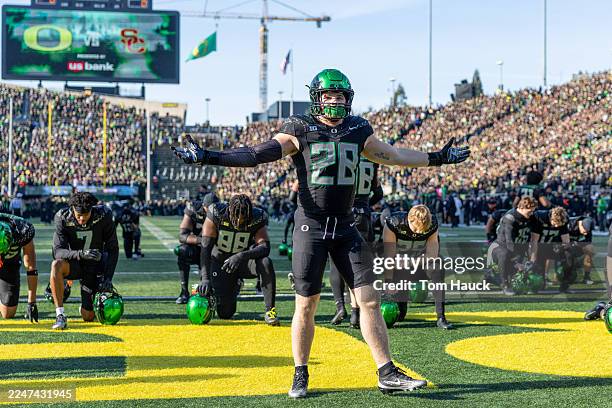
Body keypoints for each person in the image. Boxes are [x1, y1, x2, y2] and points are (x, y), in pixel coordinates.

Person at [173, 68, 469, 397]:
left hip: (345, 226)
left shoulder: (358, 129)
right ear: (317, 98)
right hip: (310, 227)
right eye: (329, 95)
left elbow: (395, 155)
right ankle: (300, 372)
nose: (335, 101)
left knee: (369, 300)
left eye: (341, 96)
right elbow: (257, 154)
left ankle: (387, 372)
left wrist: (438, 157)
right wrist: (210, 156)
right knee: (307, 304)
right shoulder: (301, 129)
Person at [197, 194, 278, 326]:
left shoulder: (257, 217)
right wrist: (205, 278)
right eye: (236, 215)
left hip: (243, 263)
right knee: (225, 313)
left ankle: (271, 311)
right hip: (221, 263)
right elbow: (206, 249)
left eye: (243, 216)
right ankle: (235, 285)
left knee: (265, 262)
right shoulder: (216, 213)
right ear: (229, 210)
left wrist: (241, 256)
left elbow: (265, 247)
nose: (240, 220)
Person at [51, 192, 119, 330]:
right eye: (78, 215)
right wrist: (81, 254)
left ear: (92, 210)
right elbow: (57, 252)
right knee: (56, 265)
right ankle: (60, 315)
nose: (81, 219)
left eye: (85, 215)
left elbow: (113, 249)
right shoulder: (63, 217)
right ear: (72, 210)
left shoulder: (104, 215)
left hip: (95, 265)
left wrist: (108, 278)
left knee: (88, 316)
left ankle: (87, 301)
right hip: (75, 263)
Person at [329, 156, 382, 327]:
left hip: (344, 214)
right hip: (363, 218)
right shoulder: (372, 159)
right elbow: (378, 193)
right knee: (360, 265)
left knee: (336, 263)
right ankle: (356, 312)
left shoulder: (345, 153)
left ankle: (340, 306)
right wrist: (365, 204)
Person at [383, 205, 452, 329]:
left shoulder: (432, 223)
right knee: (400, 315)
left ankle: (441, 317)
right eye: (417, 228)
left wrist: (410, 262)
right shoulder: (394, 223)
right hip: (398, 266)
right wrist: (388, 281)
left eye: (424, 228)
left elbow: (432, 255)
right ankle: (401, 303)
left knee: (438, 265)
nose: (420, 232)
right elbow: (389, 257)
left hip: (419, 264)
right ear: (409, 219)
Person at [488, 197, 538, 295]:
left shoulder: (531, 217)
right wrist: (516, 262)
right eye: (530, 211)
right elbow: (509, 241)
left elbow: (532, 238)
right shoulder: (510, 217)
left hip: (518, 248)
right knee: (505, 255)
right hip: (500, 247)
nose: (531, 213)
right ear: (523, 207)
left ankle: (492, 277)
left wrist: (531, 259)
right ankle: (504, 285)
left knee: (523, 273)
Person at [175, 193, 219, 304]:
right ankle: (184, 291)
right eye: (209, 208)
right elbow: (182, 236)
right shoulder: (193, 209)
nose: (211, 211)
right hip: (198, 247)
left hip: (215, 250)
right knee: (182, 251)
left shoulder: (222, 211)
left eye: (214, 208)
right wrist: (203, 241)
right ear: (203, 206)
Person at [0, 213, 38, 322]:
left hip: (10, 265)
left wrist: (32, 302)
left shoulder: (23, 230)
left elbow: (31, 266)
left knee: (8, 313)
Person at [567, 216, 594, 285]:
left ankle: (586, 277)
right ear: (580, 224)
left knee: (590, 249)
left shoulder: (588, 227)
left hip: (578, 246)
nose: (585, 233)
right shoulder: (568, 224)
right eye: (584, 230)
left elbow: (588, 243)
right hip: (567, 247)